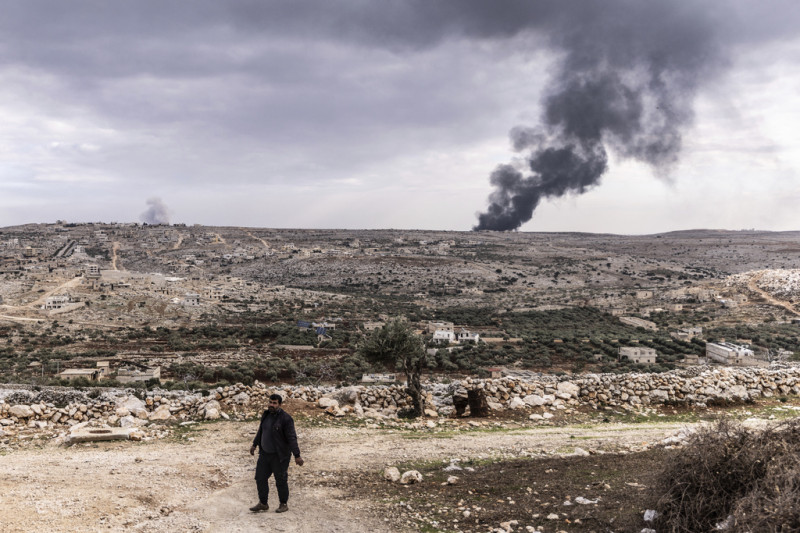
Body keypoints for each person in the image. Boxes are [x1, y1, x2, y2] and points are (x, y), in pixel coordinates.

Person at [249, 393, 304, 513]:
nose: (271, 405)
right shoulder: (266, 415)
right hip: (264, 454)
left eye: (274, 403)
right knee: (260, 478)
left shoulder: (286, 419)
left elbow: (291, 438)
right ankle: (263, 503)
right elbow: (261, 431)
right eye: (270, 402)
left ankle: (283, 504)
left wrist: (297, 455)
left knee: (280, 479)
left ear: (279, 404)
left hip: (279, 456)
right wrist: (254, 444)